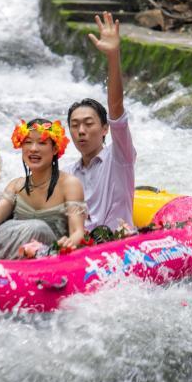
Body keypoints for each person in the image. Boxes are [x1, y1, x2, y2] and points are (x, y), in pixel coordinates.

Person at [0, 119, 87, 259]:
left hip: (48, 256)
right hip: (11, 251)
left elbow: (78, 231)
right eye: (28, 142)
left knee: (37, 227)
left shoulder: (70, 184)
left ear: (55, 149)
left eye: (41, 143)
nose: (33, 148)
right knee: (22, 226)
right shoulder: (16, 185)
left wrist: (68, 244)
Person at [63, 12, 137, 232]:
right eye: (74, 126)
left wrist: (113, 56)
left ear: (105, 129)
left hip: (118, 247)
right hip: (81, 249)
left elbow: (116, 109)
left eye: (88, 123)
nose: (81, 131)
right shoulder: (67, 175)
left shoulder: (120, 157)